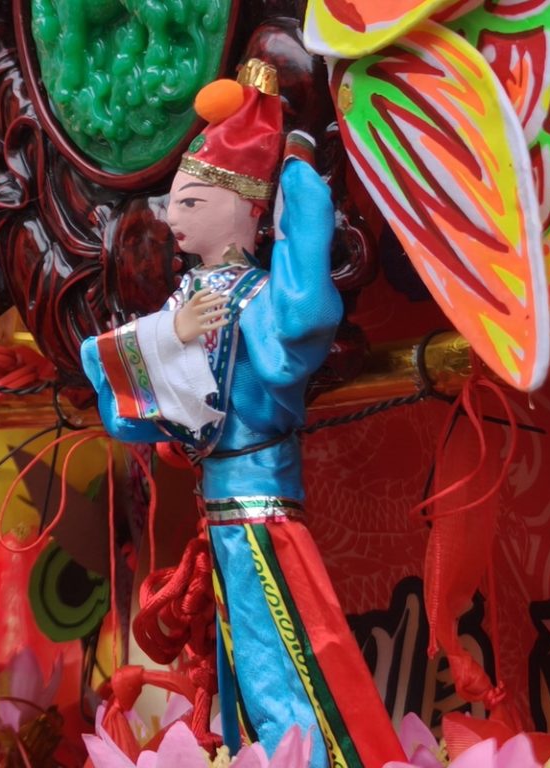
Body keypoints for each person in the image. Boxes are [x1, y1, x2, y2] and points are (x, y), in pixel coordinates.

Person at [81, 60, 404, 767]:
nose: (172, 218)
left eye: (192, 203)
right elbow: (125, 400)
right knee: (245, 670)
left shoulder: (257, 298)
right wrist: (173, 333)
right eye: (174, 203)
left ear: (247, 210)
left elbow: (299, 323)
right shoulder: (188, 301)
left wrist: (298, 177)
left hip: (261, 513)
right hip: (223, 513)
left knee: (284, 662)